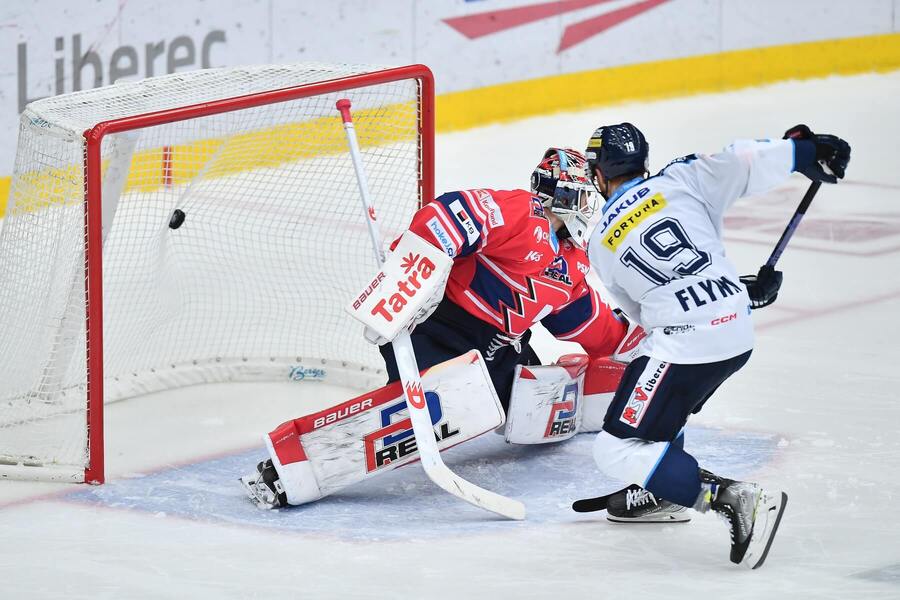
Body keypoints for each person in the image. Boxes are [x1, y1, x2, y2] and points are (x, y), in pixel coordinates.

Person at [242, 148, 681, 522]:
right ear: (565, 195)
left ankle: (599, 402)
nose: (594, 207)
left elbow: (589, 325)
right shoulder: (521, 213)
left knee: (535, 402)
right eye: (588, 196)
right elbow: (447, 214)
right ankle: (286, 469)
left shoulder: (571, 262)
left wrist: (644, 345)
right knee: (448, 407)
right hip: (437, 332)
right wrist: (411, 272)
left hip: (499, 348)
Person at [581, 122, 850, 567]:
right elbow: (743, 161)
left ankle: (730, 498)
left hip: (686, 343)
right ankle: (662, 491)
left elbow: (650, 314)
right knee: (661, 385)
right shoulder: (679, 178)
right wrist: (805, 152)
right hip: (736, 334)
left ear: (599, 174)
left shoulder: (598, 242)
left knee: (616, 449)